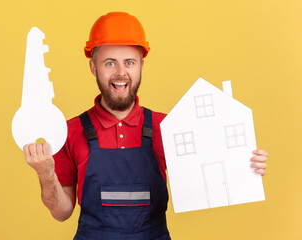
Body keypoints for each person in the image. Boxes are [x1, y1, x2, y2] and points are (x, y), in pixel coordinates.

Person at [23, 12, 268, 240]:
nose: (121, 73)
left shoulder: (168, 126)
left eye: (129, 62)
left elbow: (210, 173)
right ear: (93, 67)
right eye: (110, 63)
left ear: (141, 65)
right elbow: (61, 212)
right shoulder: (70, 131)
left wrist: (244, 164)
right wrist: (45, 172)